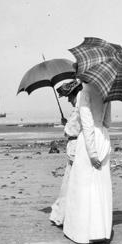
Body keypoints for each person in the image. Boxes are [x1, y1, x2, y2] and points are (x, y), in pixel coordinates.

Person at [63, 79, 113, 243]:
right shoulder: (106, 90)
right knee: (101, 185)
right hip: (103, 137)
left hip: (88, 141)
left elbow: (86, 124)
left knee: (83, 186)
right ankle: (102, 230)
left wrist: (92, 153)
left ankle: (84, 233)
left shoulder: (84, 92)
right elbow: (107, 122)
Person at [49, 80, 83, 226]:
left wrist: (66, 126)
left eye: (69, 96)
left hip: (75, 147)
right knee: (70, 180)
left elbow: (72, 130)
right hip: (75, 147)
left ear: (74, 94)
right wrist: (67, 123)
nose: (68, 100)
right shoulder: (78, 107)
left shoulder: (78, 109)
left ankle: (65, 215)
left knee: (71, 182)